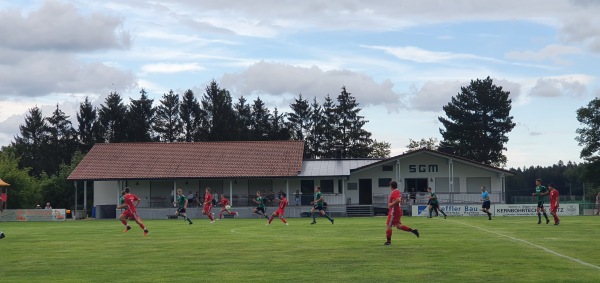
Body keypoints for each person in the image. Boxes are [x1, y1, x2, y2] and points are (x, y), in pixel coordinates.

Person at [384, 181, 419, 245]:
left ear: (391, 186)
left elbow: (398, 200)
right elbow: (399, 200)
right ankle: (413, 230)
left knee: (389, 225)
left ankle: (388, 242)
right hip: (397, 211)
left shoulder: (395, 192)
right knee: (398, 226)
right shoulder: (398, 192)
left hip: (393, 212)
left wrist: (391, 204)